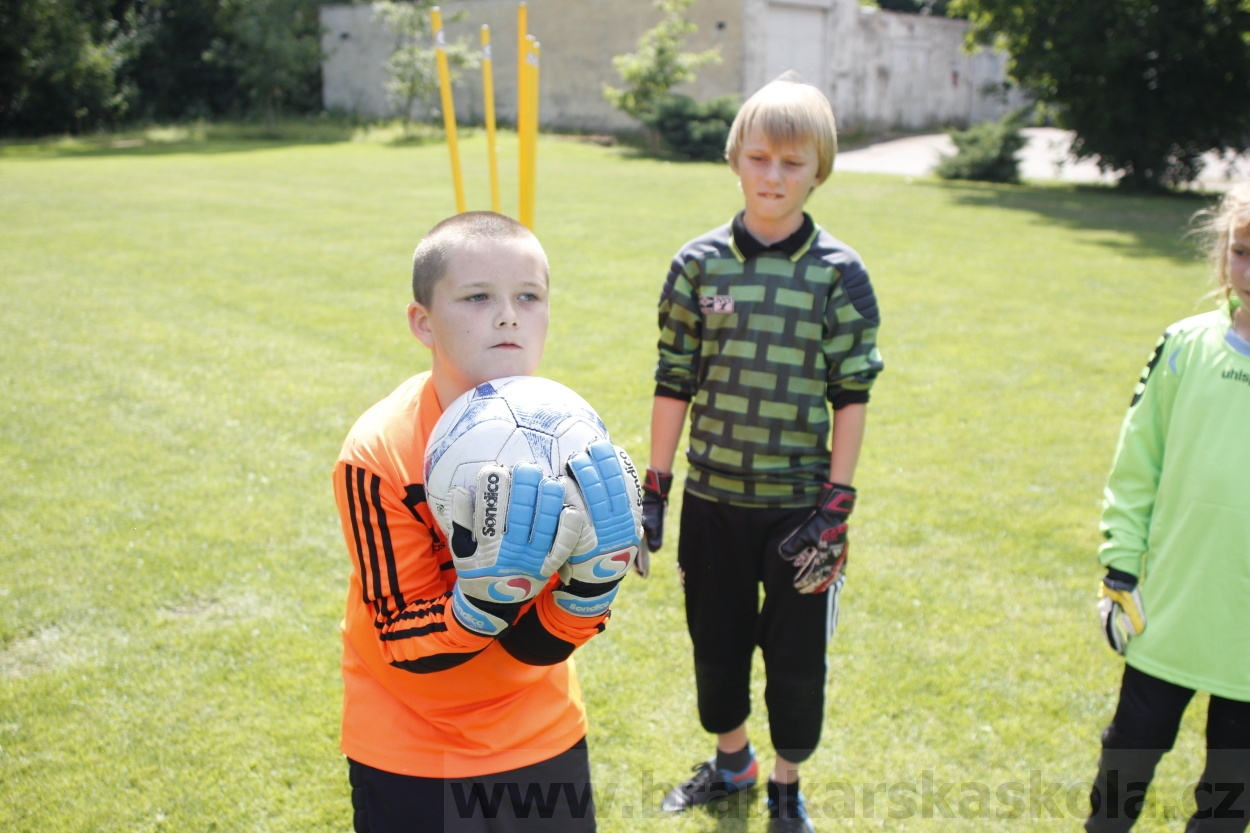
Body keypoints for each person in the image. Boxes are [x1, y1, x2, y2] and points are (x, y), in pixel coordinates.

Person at [331, 210, 643, 833]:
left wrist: (589, 591)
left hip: (538, 727)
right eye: (478, 297)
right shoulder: (378, 452)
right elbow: (399, 638)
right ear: (423, 322)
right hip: (411, 742)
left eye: (529, 297)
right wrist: (485, 600)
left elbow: (534, 646)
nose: (508, 316)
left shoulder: (569, 436)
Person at [642, 73, 884, 833]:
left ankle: (785, 785)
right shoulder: (697, 265)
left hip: (799, 512)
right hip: (713, 501)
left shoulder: (839, 274)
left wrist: (837, 504)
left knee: (796, 664)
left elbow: (851, 393)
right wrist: (656, 486)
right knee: (714, 648)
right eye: (759, 158)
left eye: (792, 162)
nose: (773, 176)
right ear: (735, 159)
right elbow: (673, 378)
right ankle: (733, 760)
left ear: (819, 170)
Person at [1086, 185, 1250, 833]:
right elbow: (1137, 465)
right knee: (1126, 761)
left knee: (1229, 799)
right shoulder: (1184, 346)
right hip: (1169, 611)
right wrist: (1120, 569)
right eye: (1241, 251)